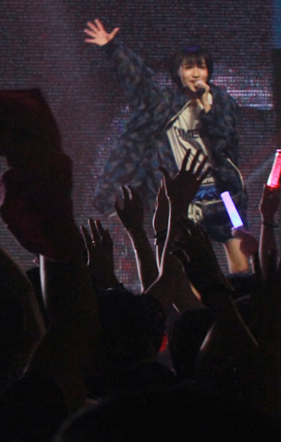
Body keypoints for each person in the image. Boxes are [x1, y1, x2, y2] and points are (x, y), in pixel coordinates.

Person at [84, 19, 248, 272]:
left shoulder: (222, 103)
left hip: (223, 191)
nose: (195, 74)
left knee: (238, 242)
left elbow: (225, 139)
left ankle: (244, 291)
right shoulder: (164, 104)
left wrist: (208, 107)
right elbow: (139, 81)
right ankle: (195, 297)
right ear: (178, 72)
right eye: (189, 67)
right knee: (188, 258)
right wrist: (112, 48)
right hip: (184, 195)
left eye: (201, 67)